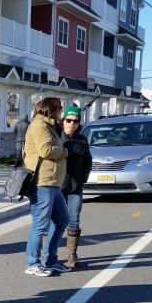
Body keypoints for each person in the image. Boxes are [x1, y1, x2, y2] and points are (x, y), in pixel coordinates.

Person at [23, 97, 70, 277]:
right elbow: (46, 150)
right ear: (51, 110)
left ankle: (51, 260)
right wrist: (67, 151)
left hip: (53, 183)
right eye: (59, 109)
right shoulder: (40, 126)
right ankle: (32, 263)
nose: (62, 113)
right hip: (43, 182)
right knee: (40, 225)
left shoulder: (49, 125)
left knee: (62, 220)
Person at [59, 106, 92, 268]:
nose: (71, 124)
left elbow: (88, 161)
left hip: (75, 186)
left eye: (75, 121)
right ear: (63, 121)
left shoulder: (82, 140)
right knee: (54, 221)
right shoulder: (56, 137)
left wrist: (83, 178)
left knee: (74, 220)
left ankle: (71, 255)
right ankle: (48, 254)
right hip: (58, 186)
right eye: (68, 120)